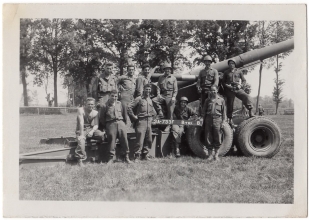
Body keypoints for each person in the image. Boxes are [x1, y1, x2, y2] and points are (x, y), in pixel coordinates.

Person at [99, 90, 131, 164]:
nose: (114, 98)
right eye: (112, 96)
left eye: (116, 96)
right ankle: (110, 158)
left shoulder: (119, 104)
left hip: (120, 122)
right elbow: (102, 118)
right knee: (111, 141)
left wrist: (123, 124)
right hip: (111, 123)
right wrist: (107, 125)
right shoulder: (105, 105)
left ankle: (126, 157)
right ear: (109, 96)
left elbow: (124, 114)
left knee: (124, 140)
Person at [128, 84, 158, 161]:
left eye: (149, 89)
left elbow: (153, 111)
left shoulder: (150, 100)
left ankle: (145, 155)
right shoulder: (139, 99)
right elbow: (129, 107)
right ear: (143, 90)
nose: (148, 91)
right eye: (146, 89)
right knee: (140, 140)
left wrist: (154, 119)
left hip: (149, 122)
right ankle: (137, 156)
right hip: (141, 121)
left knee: (149, 140)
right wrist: (133, 116)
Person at [222, 58, 254, 125]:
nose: (231, 65)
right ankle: (229, 119)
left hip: (237, 88)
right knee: (230, 104)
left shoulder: (239, 71)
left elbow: (244, 80)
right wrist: (227, 86)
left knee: (246, 96)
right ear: (228, 65)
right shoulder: (226, 72)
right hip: (229, 89)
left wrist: (241, 86)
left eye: (233, 63)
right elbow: (223, 82)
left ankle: (250, 111)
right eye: (230, 63)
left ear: (235, 64)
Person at [75, 97, 105, 166]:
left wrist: (92, 131)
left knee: (102, 135)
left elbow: (96, 125)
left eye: (92, 104)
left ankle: (98, 155)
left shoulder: (95, 113)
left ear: (94, 105)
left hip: (90, 129)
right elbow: (81, 123)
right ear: (85, 104)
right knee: (81, 140)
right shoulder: (81, 110)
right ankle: (80, 159)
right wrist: (82, 135)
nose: (90, 106)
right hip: (81, 129)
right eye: (88, 104)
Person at [201, 86, 227, 161]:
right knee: (208, 137)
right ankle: (210, 156)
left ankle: (216, 155)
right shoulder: (207, 100)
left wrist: (223, 121)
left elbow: (224, 112)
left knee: (217, 137)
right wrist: (202, 119)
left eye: (214, 90)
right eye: (212, 90)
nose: (213, 92)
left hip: (217, 119)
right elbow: (203, 112)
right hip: (208, 119)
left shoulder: (221, 100)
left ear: (217, 90)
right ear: (210, 91)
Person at [152, 62, 178, 131]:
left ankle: (169, 125)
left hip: (170, 96)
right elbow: (158, 87)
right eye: (166, 69)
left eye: (169, 69)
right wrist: (158, 94)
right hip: (163, 95)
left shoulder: (173, 78)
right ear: (164, 70)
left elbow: (175, 89)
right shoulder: (161, 78)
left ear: (170, 70)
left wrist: (174, 97)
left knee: (170, 111)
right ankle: (160, 112)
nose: (167, 71)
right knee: (154, 100)